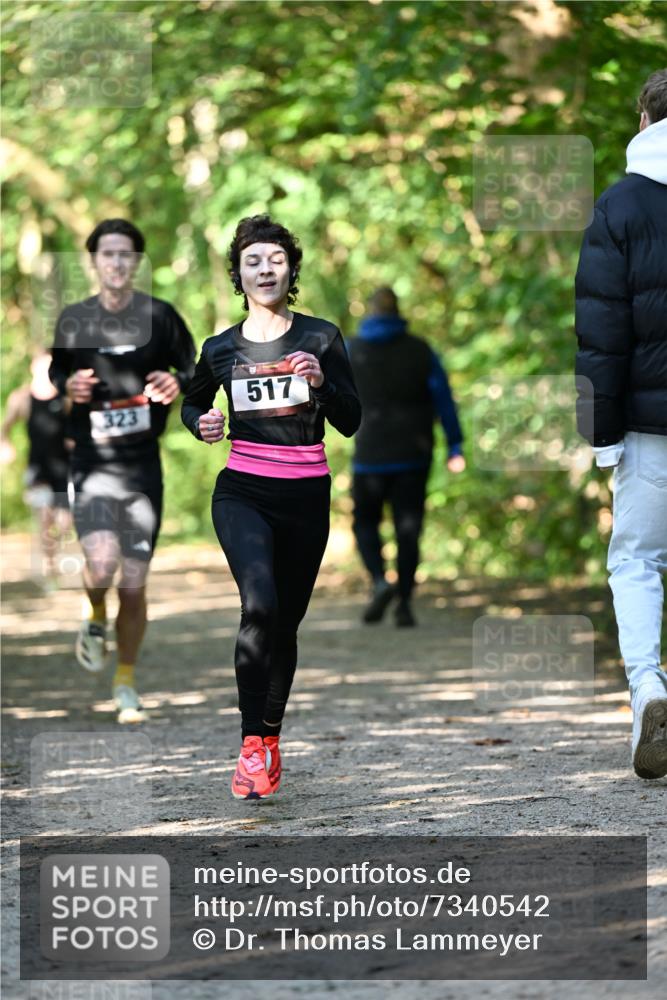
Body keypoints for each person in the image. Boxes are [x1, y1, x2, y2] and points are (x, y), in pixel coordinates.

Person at [182, 214, 361, 800]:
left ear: (291, 270)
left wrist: (322, 384)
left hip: (306, 495)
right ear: (238, 273)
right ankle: (250, 744)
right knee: (258, 605)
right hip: (243, 491)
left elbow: (351, 421)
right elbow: (191, 405)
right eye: (253, 261)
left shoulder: (321, 337)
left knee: (285, 623)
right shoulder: (220, 348)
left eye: (275, 260)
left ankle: (271, 735)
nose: (265, 269)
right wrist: (202, 423)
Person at [48, 218, 196, 723]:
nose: (115, 262)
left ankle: (126, 681)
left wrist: (176, 383)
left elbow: (194, 370)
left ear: (137, 262)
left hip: (142, 465)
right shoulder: (75, 320)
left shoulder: (160, 316)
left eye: (125, 254)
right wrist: (71, 391)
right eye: (107, 253)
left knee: (134, 583)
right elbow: (57, 375)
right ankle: (93, 612)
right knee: (104, 565)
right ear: (94, 261)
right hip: (93, 462)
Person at [575, 68, 667, 779]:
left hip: (648, 427)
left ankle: (648, 687)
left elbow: (600, 335)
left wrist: (600, 436)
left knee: (635, 560)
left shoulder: (619, 205)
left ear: (644, 120)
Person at [347, 287, 465, 628]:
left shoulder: (352, 349)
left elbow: (334, 394)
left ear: (369, 312)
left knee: (364, 522)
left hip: (369, 452)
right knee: (408, 530)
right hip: (414, 454)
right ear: (398, 311)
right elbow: (443, 398)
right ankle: (404, 603)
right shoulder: (420, 350)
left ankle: (380, 580)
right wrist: (455, 445)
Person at [1, 349, 72, 591]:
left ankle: (57, 554)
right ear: (33, 367)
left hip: (66, 468)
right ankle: (50, 567)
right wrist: (5, 446)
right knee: (44, 520)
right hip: (38, 469)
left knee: (64, 523)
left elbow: (78, 426)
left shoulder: (64, 398)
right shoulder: (21, 398)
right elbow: (5, 428)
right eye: (42, 366)